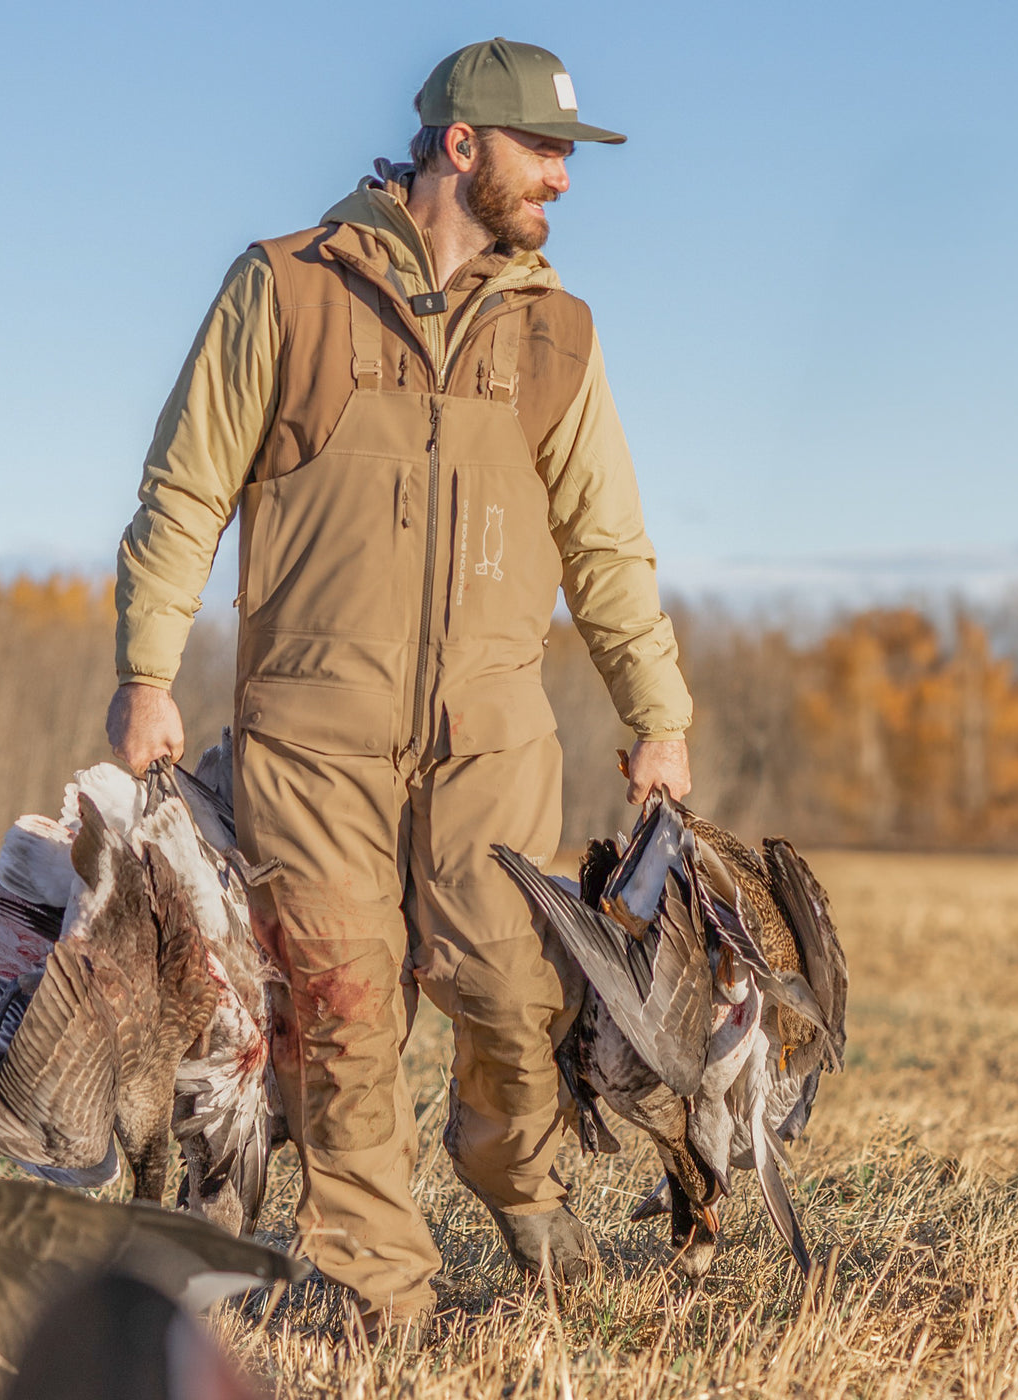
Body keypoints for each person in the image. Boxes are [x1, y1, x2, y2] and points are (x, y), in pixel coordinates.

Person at [107, 36, 694, 1335]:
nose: (563, 179)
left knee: (512, 985)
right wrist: (148, 670)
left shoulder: (557, 334)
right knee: (341, 1009)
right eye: (546, 151)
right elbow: (186, 488)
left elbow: (605, 537)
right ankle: (388, 1304)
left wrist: (658, 712)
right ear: (462, 144)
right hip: (310, 739)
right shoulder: (285, 290)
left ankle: (509, 1169)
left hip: (492, 735)